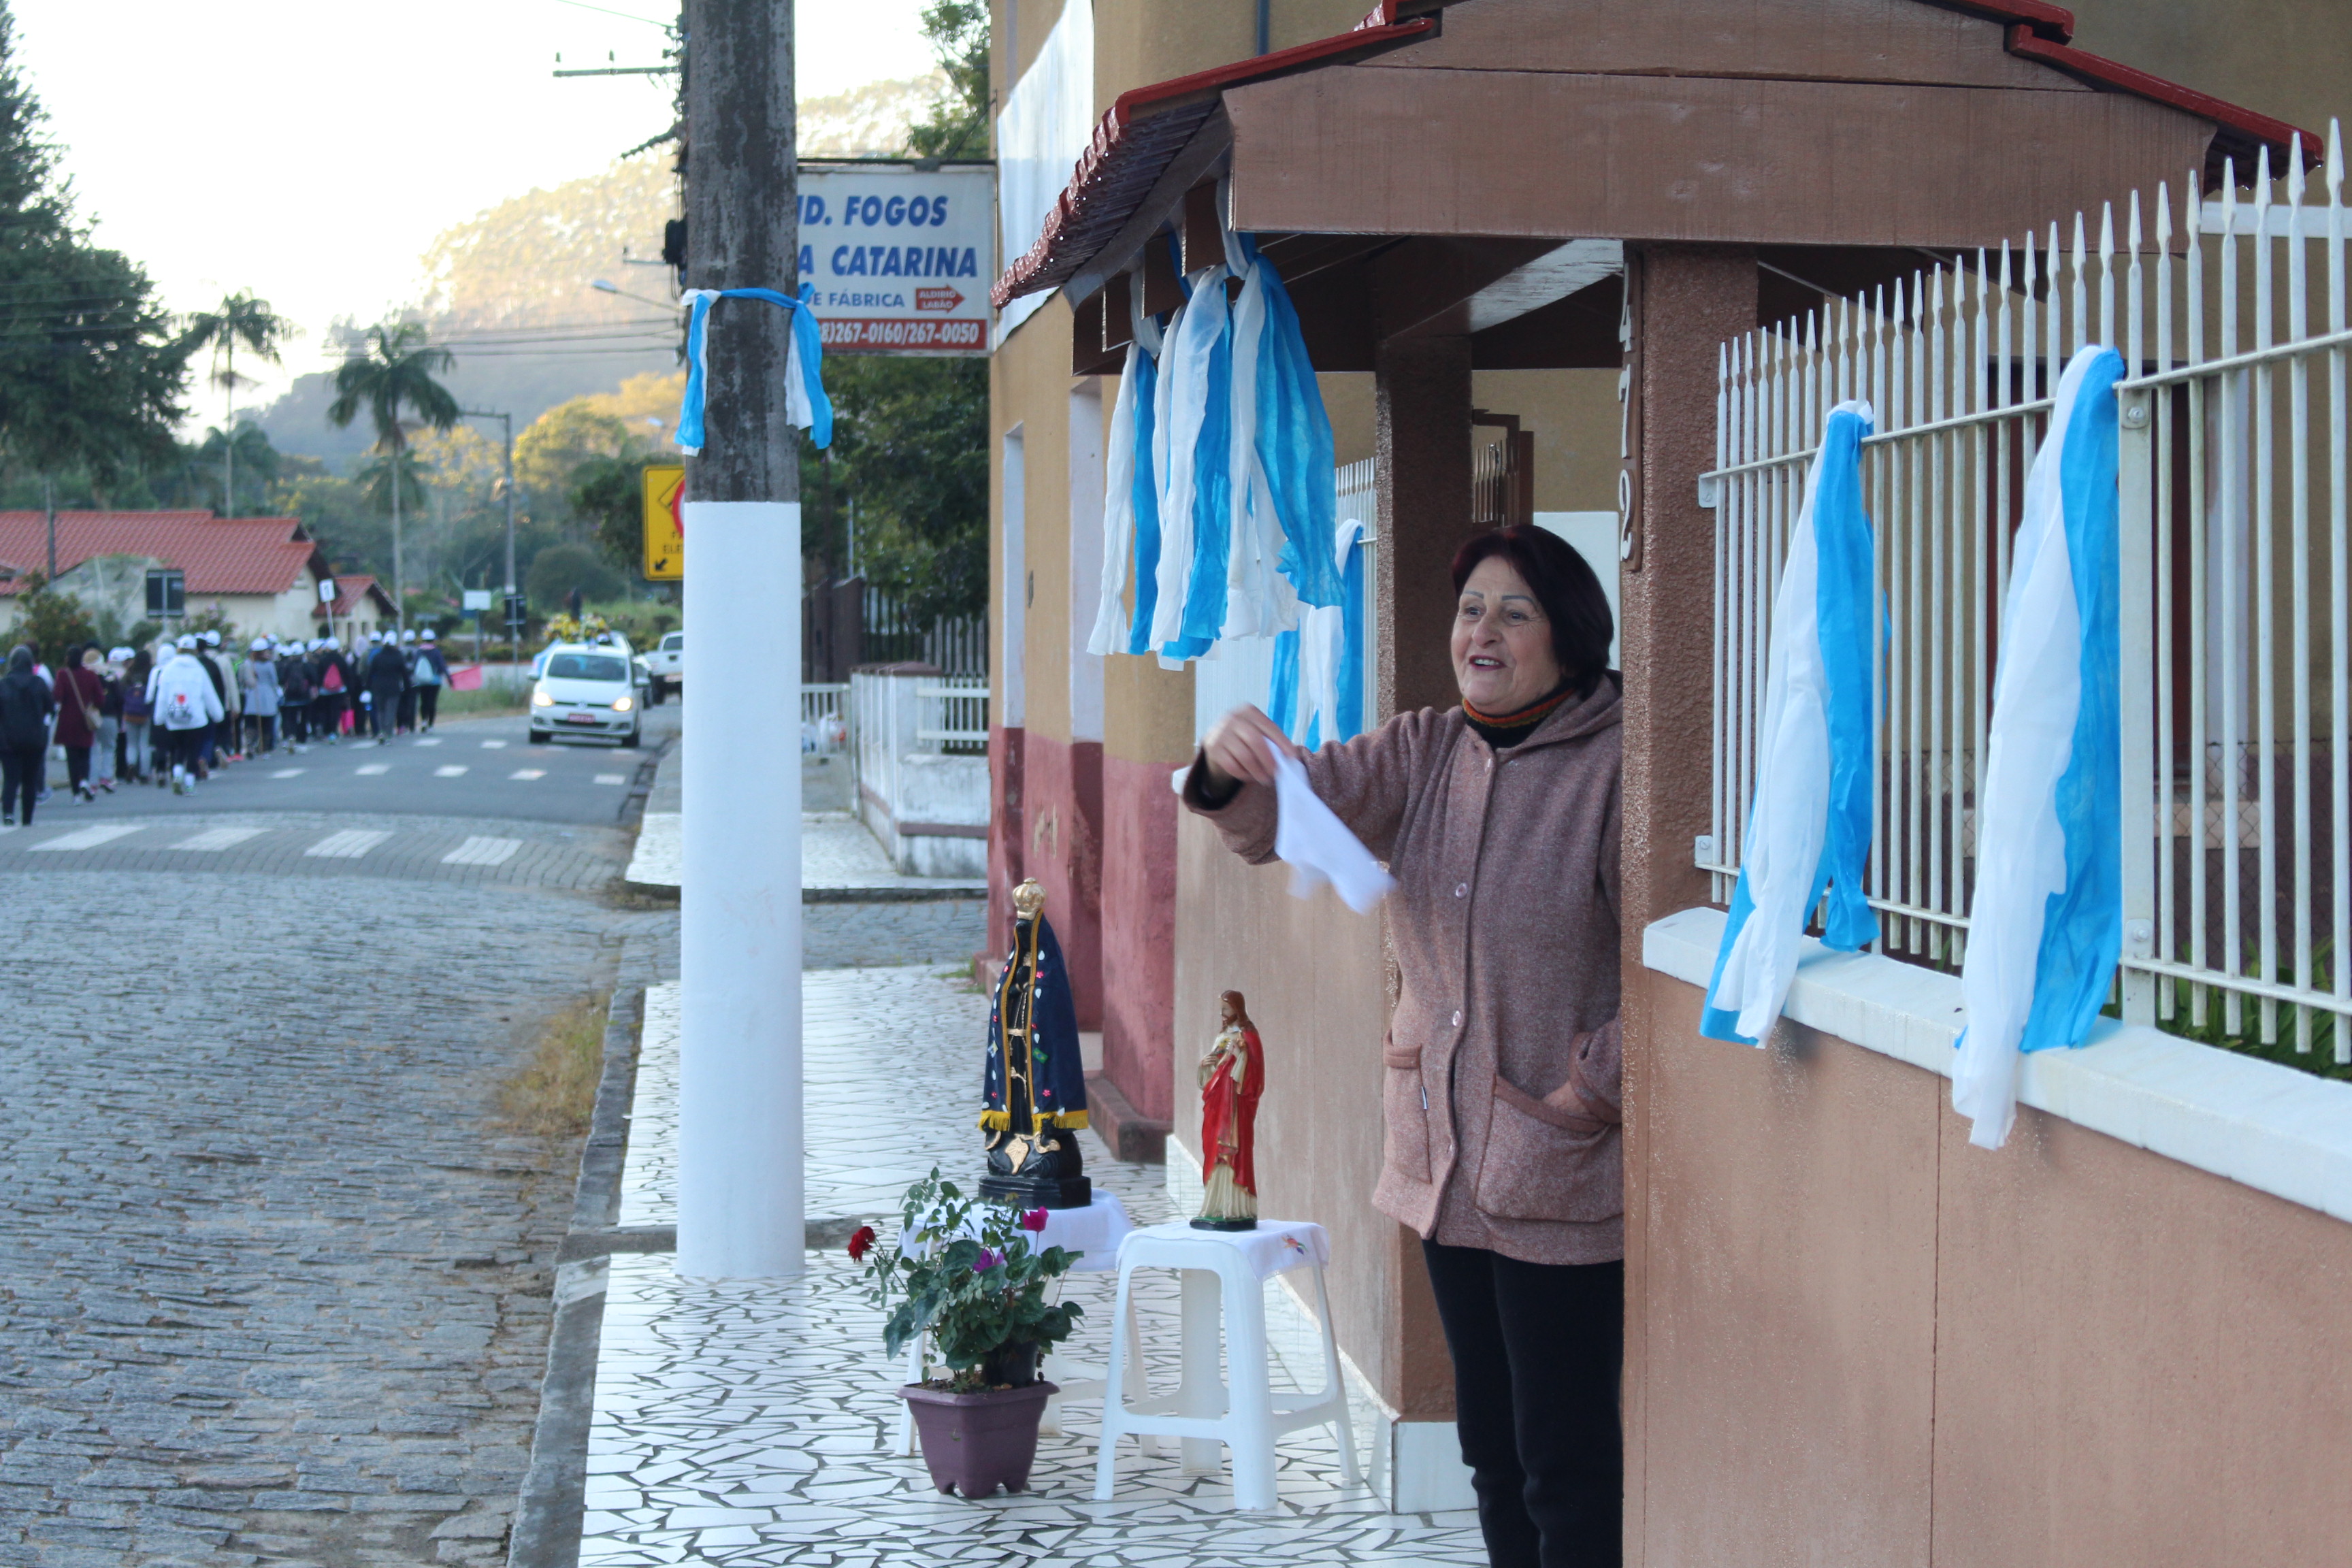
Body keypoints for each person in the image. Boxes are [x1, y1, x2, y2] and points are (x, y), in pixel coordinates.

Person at [1186, 524, 1622, 1568]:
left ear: (1569, 635)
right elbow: (1288, 809)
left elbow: (1659, 966)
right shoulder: (1426, 750)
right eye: (1471, 610)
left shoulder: (1616, 768)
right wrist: (1223, 762)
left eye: (1515, 612)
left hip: (1563, 1168)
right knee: (1490, 1451)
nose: (1484, 632)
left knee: (1563, 1462)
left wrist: (1593, 1086)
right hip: (1445, 1167)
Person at [150, 636, 224, 794]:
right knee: (193, 750)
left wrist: (159, 718)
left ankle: (177, 774)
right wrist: (218, 714)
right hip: (195, 719)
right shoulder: (198, 669)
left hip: (174, 718)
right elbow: (209, 694)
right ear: (195, 650)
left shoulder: (169, 669)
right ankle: (190, 783)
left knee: (179, 748)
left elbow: (162, 696)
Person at [1, 644, 52, 826]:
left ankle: (8, 813)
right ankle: (27, 819)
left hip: (8, 740)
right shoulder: (38, 683)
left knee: (10, 779)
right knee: (30, 781)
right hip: (34, 739)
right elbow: (50, 707)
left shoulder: (3, 684)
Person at [52, 640, 102, 803]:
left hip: (67, 721)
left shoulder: (62, 675)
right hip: (85, 721)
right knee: (85, 755)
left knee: (72, 759)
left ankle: (76, 794)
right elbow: (100, 699)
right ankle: (85, 780)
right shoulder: (91, 675)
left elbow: (57, 696)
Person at [86, 647, 121, 794]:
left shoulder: (86, 675)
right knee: (109, 747)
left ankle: (92, 782)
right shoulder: (110, 674)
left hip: (90, 716)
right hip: (109, 715)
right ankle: (106, 778)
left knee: (93, 749)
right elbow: (119, 697)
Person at [241, 638, 280, 756]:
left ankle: (250, 744)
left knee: (252, 722)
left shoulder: (249, 663)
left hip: (253, 694)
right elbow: (274, 680)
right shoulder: (269, 664)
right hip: (267, 694)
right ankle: (264, 746)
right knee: (267, 723)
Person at [120, 647, 153, 784]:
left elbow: (121, 691)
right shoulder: (150, 673)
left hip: (130, 713)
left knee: (131, 744)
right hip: (145, 713)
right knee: (145, 744)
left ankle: (131, 765)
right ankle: (144, 773)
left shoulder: (129, 674)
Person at [365, 632, 406, 742]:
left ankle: (381, 732)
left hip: (378, 687)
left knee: (381, 711)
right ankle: (388, 733)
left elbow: (371, 673)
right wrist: (407, 687)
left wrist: (367, 688)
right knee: (391, 711)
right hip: (394, 688)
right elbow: (404, 674)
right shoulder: (398, 657)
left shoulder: (377, 657)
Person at [278, 638, 312, 749]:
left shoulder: (287, 666)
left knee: (291, 718)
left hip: (290, 697)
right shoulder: (306, 666)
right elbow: (313, 679)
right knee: (304, 718)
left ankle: (291, 735)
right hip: (304, 696)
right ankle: (302, 738)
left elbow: (281, 680)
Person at [412, 629, 448, 732]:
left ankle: (424, 721)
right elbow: (442, 666)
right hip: (435, 681)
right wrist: (449, 678)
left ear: (423, 640)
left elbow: (415, 665)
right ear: (433, 640)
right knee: (432, 702)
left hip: (421, 681)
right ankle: (431, 724)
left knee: (423, 701)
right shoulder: (436, 652)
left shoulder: (419, 651)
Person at [395, 628, 420, 733]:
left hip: (402, 682)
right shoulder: (417, 651)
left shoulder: (400, 651)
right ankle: (412, 725)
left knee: (402, 704)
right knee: (412, 703)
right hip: (414, 681)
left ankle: (402, 724)